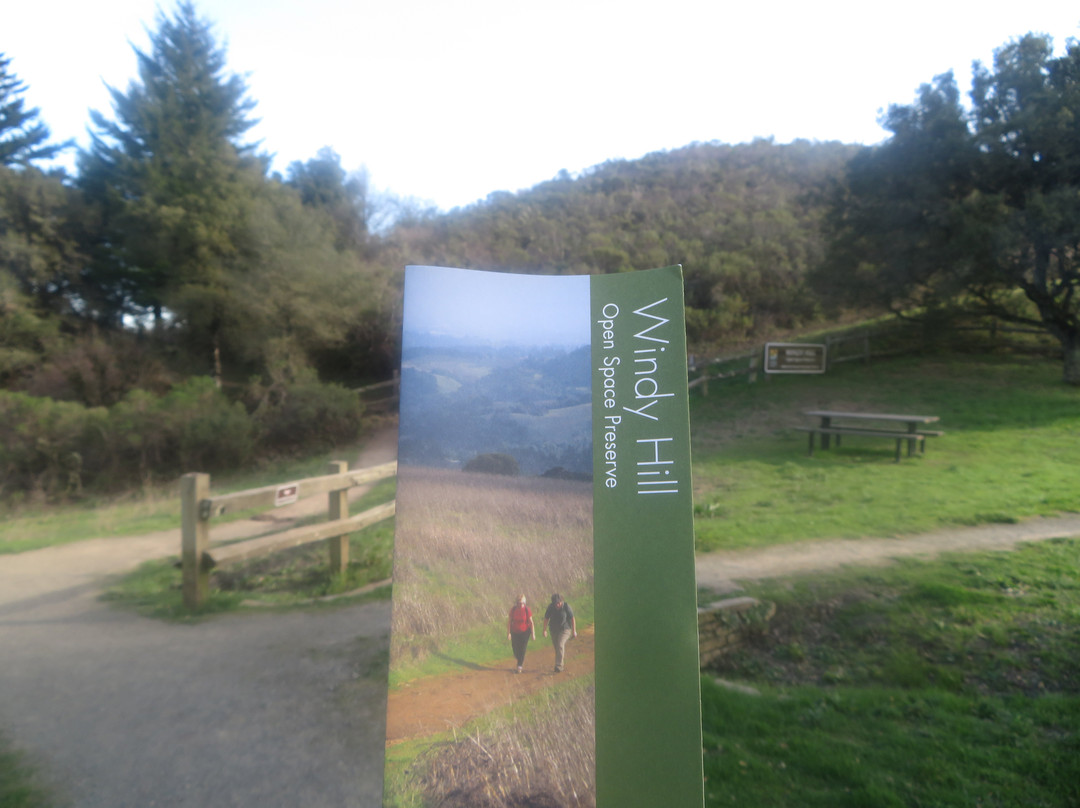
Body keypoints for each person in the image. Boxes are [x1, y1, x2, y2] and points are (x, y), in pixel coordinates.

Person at [542, 593, 576, 673]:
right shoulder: (551, 607)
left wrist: (574, 631)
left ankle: (559, 666)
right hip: (554, 629)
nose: (557, 605)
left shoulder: (566, 607)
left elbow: (572, 619)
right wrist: (544, 630)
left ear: (561, 601)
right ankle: (560, 663)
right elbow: (546, 619)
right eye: (555, 603)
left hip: (565, 629)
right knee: (557, 648)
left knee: (560, 644)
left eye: (558, 603)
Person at [507, 594, 535, 674]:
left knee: (522, 648)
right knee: (515, 649)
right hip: (515, 631)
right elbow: (509, 622)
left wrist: (533, 634)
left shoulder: (527, 610)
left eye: (522, 603)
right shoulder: (513, 610)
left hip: (525, 631)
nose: (521, 605)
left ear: (524, 603)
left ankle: (519, 665)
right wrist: (508, 633)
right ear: (516, 603)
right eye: (519, 603)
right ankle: (518, 657)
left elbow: (531, 622)